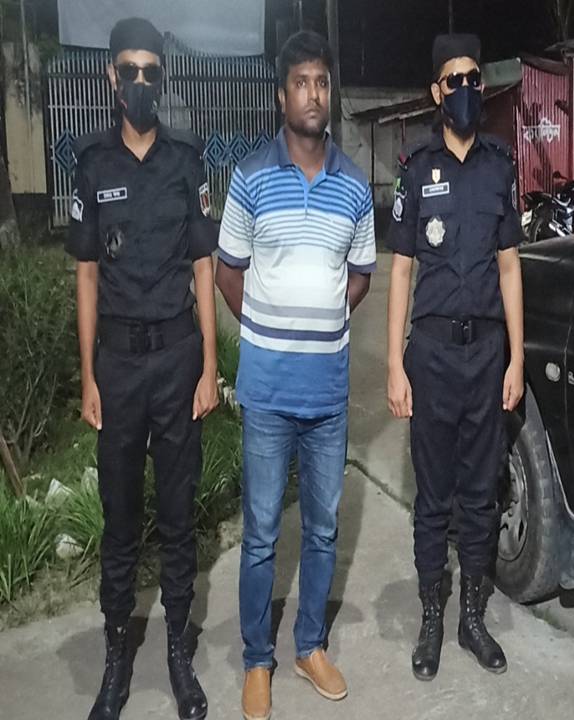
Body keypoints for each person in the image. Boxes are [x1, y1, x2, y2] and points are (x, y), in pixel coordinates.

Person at [215, 30, 375, 720]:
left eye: (322, 82)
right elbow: (228, 272)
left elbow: (361, 275)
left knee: (322, 529)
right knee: (259, 534)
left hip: (327, 393)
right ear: (282, 96)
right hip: (268, 393)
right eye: (301, 82)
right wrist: (267, 327)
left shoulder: (356, 186)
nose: (314, 94)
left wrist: (321, 319)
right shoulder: (250, 176)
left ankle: (310, 645)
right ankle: (258, 660)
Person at [66, 17, 218, 720]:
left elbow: (204, 265)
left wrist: (210, 365)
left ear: (163, 77)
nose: (140, 83)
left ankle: (180, 655)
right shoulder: (92, 164)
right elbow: (87, 276)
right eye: (129, 70)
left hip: (179, 358)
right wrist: (89, 377)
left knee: (180, 517)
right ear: (111, 77)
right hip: (120, 368)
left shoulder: (186, 159)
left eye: (151, 71)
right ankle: (116, 659)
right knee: (121, 519)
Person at [386, 33, 525, 681]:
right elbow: (400, 271)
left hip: (488, 354)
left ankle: (472, 617)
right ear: (435, 92)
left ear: (480, 85)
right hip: (433, 357)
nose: (464, 89)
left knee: (480, 495)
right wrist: (393, 365)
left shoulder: (500, 166)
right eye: (453, 80)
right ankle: (432, 618)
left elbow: (510, 268)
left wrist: (516, 358)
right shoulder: (416, 170)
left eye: (473, 78)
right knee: (433, 498)